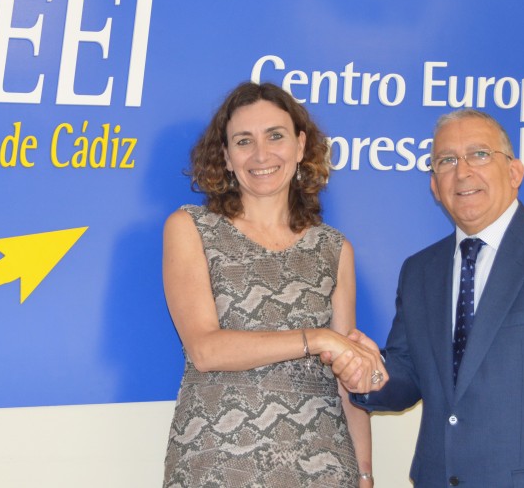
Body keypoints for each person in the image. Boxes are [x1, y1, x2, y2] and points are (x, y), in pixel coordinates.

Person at [329, 108, 524, 487]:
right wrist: (368, 374)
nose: (462, 172)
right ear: (434, 185)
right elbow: (411, 374)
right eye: (446, 160)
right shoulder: (419, 271)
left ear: (515, 172)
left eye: (479, 154)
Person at [162, 82, 387, 487]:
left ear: (301, 146)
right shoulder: (190, 228)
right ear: (225, 156)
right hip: (217, 466)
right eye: (244, 141)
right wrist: (317, 338)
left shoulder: (334, 248)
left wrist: (366, 474)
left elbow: (346, 380)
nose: (261, 154)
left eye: (275, 136)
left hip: (323, 468)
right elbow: (205, 350)